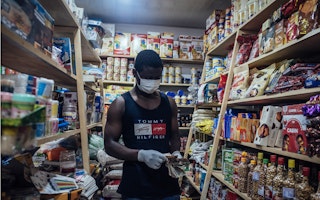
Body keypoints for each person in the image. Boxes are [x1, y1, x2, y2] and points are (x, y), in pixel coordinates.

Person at [103, 50, 182, 200]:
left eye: (156, 77)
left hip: (167, 187)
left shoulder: (169, 103)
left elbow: (174, 136)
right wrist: (140, 155)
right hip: (135, 187)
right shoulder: (121, 104)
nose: (152, 81)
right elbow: (109, 144)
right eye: (147, 77)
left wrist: (177, 153)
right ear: (134, 73)